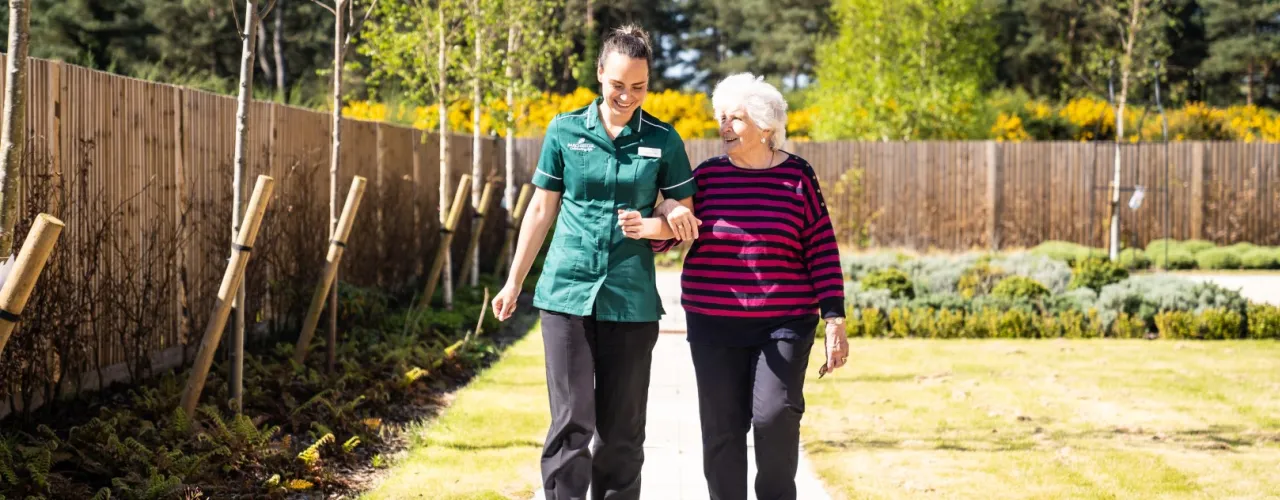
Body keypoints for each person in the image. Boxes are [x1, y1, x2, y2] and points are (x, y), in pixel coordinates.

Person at [490, 25, 697, 500]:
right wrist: (513, 281)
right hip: (566, 295)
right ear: (600, 74)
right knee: (570, 424)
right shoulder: (564, 130)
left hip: (632, 301)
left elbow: (684, 216)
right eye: (618, 84)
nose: (627, 96)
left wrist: (670, 213)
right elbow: (541, 209)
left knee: (622, 436)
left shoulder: (664, 139)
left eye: (639, 86)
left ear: (649, 82)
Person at [644, 73, 851, 500]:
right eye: (721, 118)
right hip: (714, 323)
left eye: (734, 119)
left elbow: (821, 247)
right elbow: (672, 233)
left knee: (775, 416)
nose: (724, 127)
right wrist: (658, 215)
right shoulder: (708, 176)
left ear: (765, 126)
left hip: (785, 321)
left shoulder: (798, 176)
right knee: (721, 430)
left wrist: (834, 318)